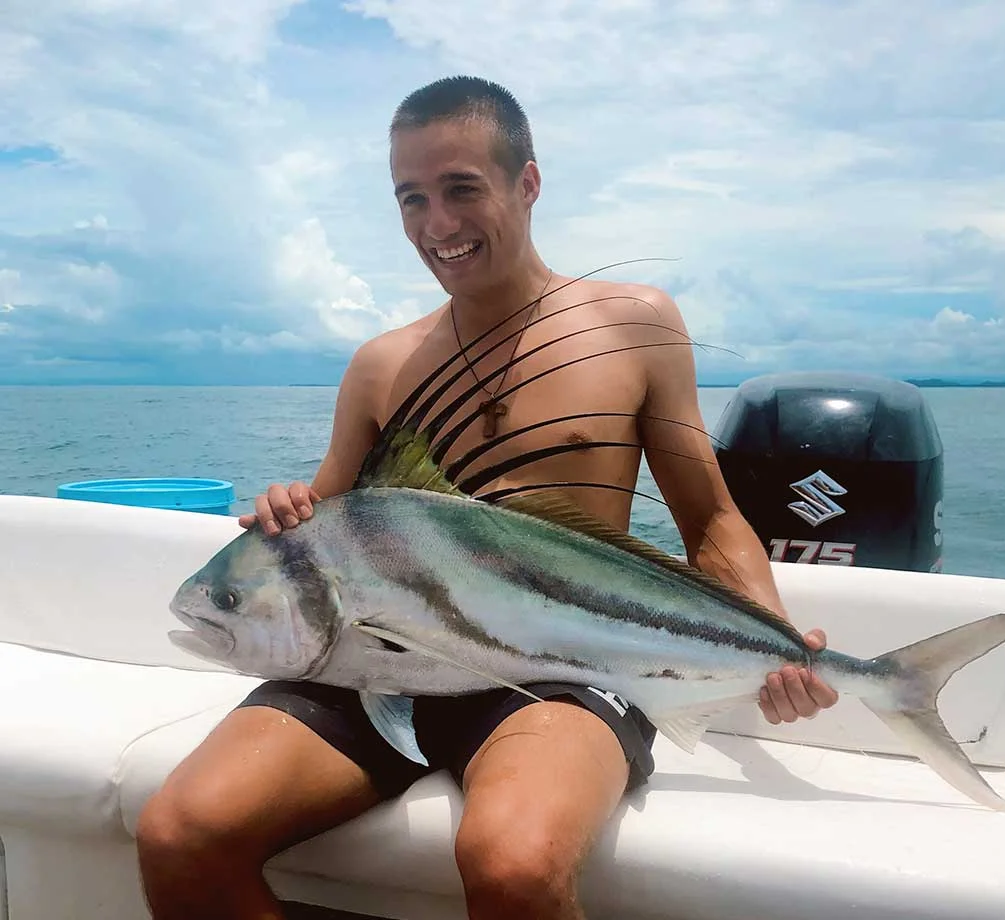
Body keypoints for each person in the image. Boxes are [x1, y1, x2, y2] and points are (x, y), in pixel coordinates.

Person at [135, 75, 839, 920]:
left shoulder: (633, 326)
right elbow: (328, 525)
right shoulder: (380, 366)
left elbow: (712, 520)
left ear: (527, 183)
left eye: (462, 189)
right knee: (179, 834)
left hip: (562, 671)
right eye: (412, 198)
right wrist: (288, 508)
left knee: (513, 862)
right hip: (372, 665)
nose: (438, 224)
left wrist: (777, 641)